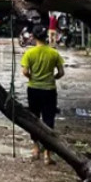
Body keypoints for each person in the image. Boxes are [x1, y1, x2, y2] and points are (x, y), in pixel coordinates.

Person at [21, 24, 65, 164]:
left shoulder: (29, 53)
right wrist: (53, 78)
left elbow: (25, 71)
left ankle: (35, 148)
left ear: (33, 37)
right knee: (48, 120)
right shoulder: (54, 53)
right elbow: (61, 72)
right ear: (46, 37)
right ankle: (47, 154)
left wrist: (32, 78)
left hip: (33, 89)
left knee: (34, 118)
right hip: (49, 90)